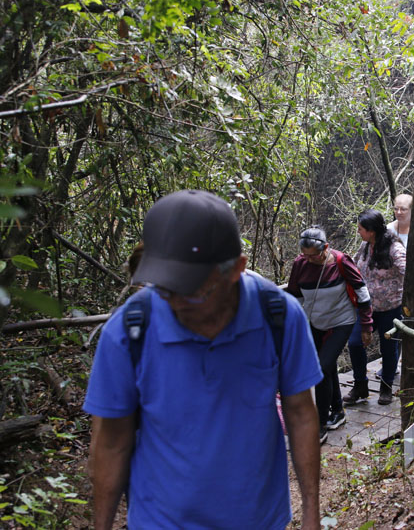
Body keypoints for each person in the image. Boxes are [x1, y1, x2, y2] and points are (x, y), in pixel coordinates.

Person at [84, 190, 324, 530]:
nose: (175, 302)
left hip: (258, 518)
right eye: (166, 287)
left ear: (236, 270)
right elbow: (111, 441)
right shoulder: (128, 332)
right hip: (161, 520)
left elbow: (300, 414)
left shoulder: (279, 317)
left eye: (193, 290)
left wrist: (311, 515)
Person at [286, 226, 373, 442]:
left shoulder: (342, 261)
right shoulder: (300, 264)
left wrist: (366, 325)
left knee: (321, 368)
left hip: (341, 322)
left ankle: (320, 424)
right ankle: (338, 412)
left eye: (314, 255)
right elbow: (295, 294)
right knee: (327, 366)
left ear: (325, 248)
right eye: (305, 255)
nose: (309, 260)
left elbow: (362, 291)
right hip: (314, 322)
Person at [344, 210, 406, 405]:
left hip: (390, 308)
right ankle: (360, 385)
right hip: (365, 307)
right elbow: (354, 267)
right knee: (355, 343)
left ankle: (386, 387)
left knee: (388, 348)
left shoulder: (394, 248)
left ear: (371, 231)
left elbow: (410, 271)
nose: (358, 231)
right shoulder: (365, 246)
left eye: (361, 228)